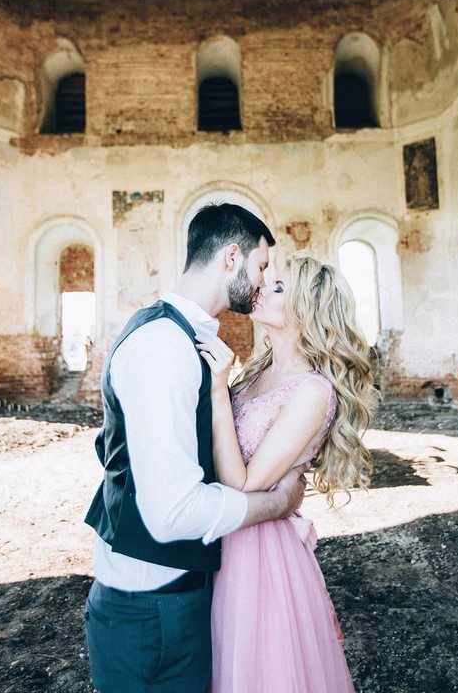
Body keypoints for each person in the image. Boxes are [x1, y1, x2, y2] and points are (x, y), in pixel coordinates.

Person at [83, 203, 309, 693]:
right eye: (261, 265)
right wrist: (277, 503)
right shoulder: (164, 347)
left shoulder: (183, 337)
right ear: (232, 257)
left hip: (171, 598)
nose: (262, 280)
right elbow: (173, 514)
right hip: (151, 617)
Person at [198, 252, 376, 693]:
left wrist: (218, 389)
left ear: (306, 310)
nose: (261, 287)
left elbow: (243, 484)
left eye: (278, 287)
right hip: (217, 536)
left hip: (258, 554)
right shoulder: (255, 372)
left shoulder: (313, 391)